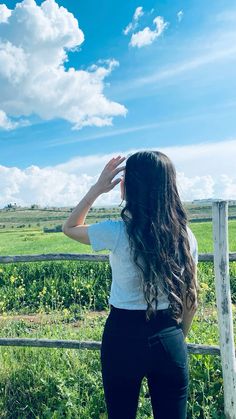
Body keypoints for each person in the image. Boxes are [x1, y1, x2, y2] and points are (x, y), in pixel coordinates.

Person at [63, 151, 199, 419]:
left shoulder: (115, 231)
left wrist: (97, 188)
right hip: (168, 332)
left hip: (122, 336)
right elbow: (190, 298)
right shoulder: (185, 235)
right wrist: (176, 337)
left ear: (130, 186)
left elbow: (70, 227)